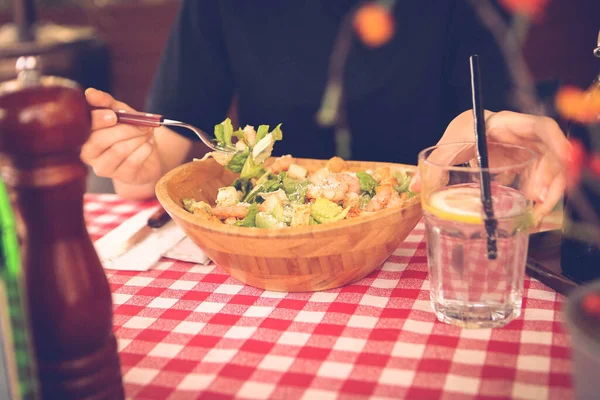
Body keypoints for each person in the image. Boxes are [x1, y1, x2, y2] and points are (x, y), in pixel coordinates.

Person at [80, 0, 568, 222]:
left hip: (416, 249)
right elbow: (170, 142)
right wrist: (136, 161)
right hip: (267, 269)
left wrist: (486, 131)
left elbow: (490, 133)